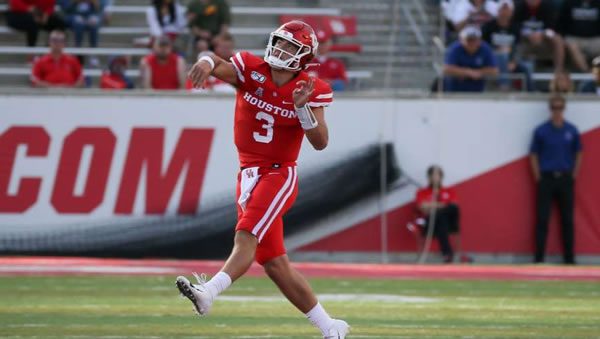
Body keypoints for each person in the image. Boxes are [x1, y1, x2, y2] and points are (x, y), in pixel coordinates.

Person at [176, 21, 350, 338]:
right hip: (248, 173)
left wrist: (302, 110)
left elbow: (320, 141)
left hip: (278, 172)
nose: (281, 50)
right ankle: (331, 327)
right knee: (273, 263)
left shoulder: (311, 89)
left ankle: (209, 292)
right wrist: (204, 61)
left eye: (290, 47)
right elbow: (215, 61)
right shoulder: (251, 68)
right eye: (280, 43)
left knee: (246, 235)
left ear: (303, 57)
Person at [530, 95, 583, 264]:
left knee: (567, 219)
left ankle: (569, 258)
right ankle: (539, 258)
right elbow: (533, 154)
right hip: (547, 178)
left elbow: (579, 152)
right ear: (550, 109)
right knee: (542, 219)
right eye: (554, 108)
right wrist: (538, 176)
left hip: (565, 178)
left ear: (564, 109)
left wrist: (574, 173)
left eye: (560, 108)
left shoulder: (571, 130)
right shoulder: (541, 130)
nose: (557, 111)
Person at [482, 0, 533, 91]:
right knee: (502, 56)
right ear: (498, 10)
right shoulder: (488, 26)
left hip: (511, 59)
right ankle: (504, 86)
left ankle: (531, 92)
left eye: (507, 10)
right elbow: (484, 46)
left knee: (527, 66)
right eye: (503, 9)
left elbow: (519, 47)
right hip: (492, 59)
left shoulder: (516, 27)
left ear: (511, 12)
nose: (505, 12)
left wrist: (514, 61)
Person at [414, 165, 460, 264]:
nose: (435, 178)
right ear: (429, 177)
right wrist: (441, 205)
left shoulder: (449, 191)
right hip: (429, 224)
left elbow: (454, 207)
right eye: (433, 175)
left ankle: (447, 254)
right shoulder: (422, 192)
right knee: (441, 218)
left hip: (449, 224)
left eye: (437, 175)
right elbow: (422, 208)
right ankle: (447, 254)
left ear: (441, 177)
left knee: (447, 213)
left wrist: (432, 206)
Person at [513, 0, 565, 71]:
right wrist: (528, 34)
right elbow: (515, 26)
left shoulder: (548, 6)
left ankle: (559, 70)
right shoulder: (519, 6)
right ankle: (516, 69)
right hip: (525, 39)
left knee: (558, 39)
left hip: (544, 38)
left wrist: (542, 34)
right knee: (515, 38)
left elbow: (552, 28)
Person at [443, 25, 499, 92]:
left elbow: (494, 70)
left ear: (479, 40)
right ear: (461, 40)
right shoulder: (455, 49)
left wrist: (479, 72)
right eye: (469, 40)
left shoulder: (485, 49)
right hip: (455, 91)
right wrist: (468, 72)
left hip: (477, 91)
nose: (471, 43)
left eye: (474, 40)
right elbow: (447, 69)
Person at [557, 0, 600, 72]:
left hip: (595, 38)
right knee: (571, 44)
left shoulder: (598, 3)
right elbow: (561, 23)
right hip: (574, 38)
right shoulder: (569, 3)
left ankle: (597, 73)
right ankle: (587, 73)